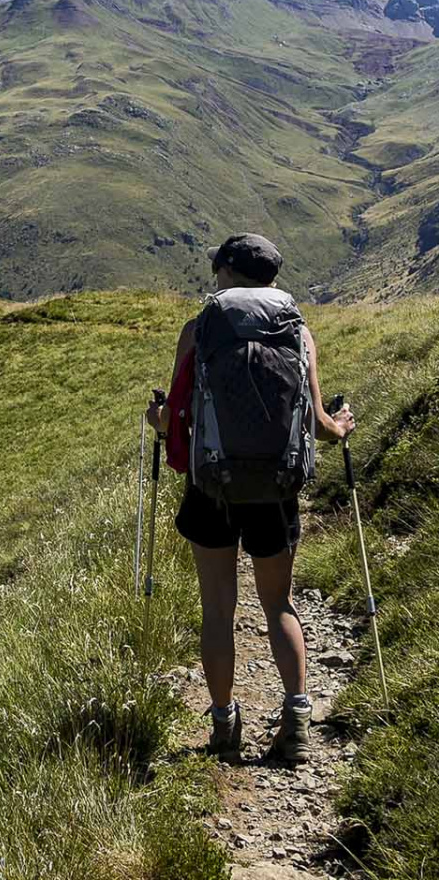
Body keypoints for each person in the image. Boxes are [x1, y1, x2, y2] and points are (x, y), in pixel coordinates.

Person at [147, 232, 355, 764]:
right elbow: (318, 423)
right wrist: (342, 425)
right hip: (275, 489)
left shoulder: (200, 328)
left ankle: (223, 726)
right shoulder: (298, 333)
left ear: (228, 271)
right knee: (278, 603)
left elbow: (173, 414)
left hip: (211, 486)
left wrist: (156, 419)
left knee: (217, 609)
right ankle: (298, 721)